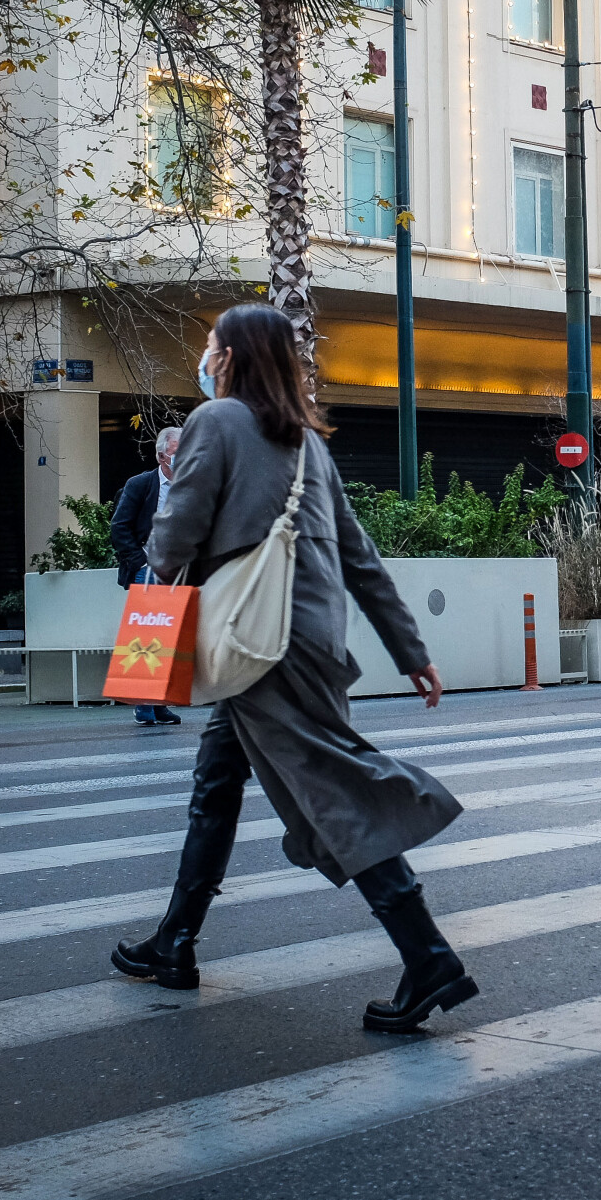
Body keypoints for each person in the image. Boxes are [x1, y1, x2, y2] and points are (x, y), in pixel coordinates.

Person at [118, 302, 474, 1034]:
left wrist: (166, 541)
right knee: (217, 780)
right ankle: (175, 938)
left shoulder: (215, 421)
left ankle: (430, 955)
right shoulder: (308, 442)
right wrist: (410, 650)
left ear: (233, 356)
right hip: (304, 635)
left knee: (332, 790)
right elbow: (359, 555)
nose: (206, 356)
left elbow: (172, 539)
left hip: (255, 639)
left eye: (212, 344)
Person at [110, 427, 184, 727]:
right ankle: (144, 705)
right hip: (148, 568)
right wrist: (139, 562)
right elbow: (119, 527)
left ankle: (159, 702)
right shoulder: (141, 484)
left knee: (170, 638)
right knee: (146, 635)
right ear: (161, 456)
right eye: (177, 452)